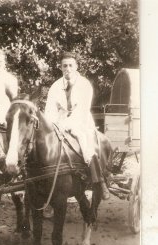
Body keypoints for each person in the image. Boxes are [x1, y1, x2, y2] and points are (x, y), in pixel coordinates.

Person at [45, 52, 110, 200]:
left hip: (81, 122)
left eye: (70, 65)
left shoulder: (84, 84)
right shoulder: (55, 86)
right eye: (64, 66)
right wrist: (54, 125)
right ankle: (49, 187)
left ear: (76, 66)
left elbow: (82, 110)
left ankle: (99, 181)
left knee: (87, 146)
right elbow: (49, 110)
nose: (67, 68)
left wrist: (68, 124)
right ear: (60, 68)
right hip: (59, 123)